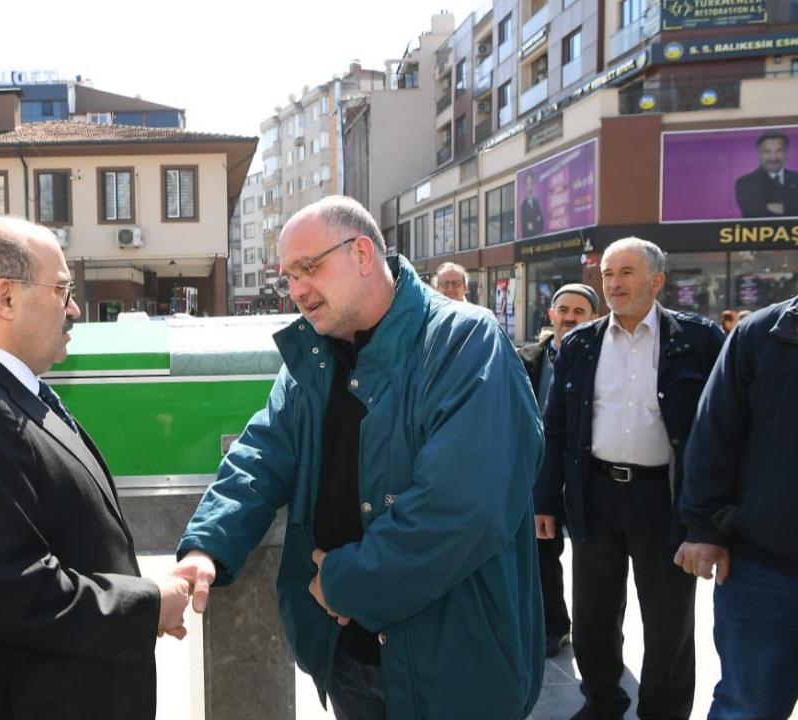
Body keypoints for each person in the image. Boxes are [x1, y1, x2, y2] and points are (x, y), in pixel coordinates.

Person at [173, 196, 545, 719]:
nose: (297, 289)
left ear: (363, 253)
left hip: (454, 666)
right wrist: (207, 547)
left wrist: (344, 582)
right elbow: (261, 454)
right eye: (289, 277)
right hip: (347, 662)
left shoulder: (466, 342)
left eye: (309, 267)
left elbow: (463, 508)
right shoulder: (315, 356)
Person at [0, 216, 190, 720]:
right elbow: (13, 589)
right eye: (62, 290)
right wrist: (148, 604)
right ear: (4, 299)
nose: (73, 308)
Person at [676, 197, 798, 718]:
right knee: (746, 708)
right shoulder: (761, 334)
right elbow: (713, 436)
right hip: (762, 572)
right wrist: (703, 528)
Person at [535, 237, 724, 720]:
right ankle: (602, 701)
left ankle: (664, 711)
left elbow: (723, 430)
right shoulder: (580, 344)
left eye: (626, 273)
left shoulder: (698, 341)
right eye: (608, 274)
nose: (614, 284)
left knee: (669, 623)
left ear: (657, 281)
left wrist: (712, 518)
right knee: (595, 614)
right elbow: (555, 429)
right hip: (594, 494)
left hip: (664, 497)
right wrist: (545, 501)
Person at [517, 282, 599, 658]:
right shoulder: (526, 358)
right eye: (563, 310)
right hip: (538, 474)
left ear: (593, 317)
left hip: (586, 475)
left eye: (579, 311)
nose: (569, 317)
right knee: (541, 551)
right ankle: (553, 625)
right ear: (551, 315)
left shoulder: (602, 357)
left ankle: (597, 642)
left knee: (595, 565)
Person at [734, 131, 798, 218]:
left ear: (786, 152)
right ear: (759, 152)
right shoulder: (745, 183)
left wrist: (781, 207)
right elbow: (754, 213)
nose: (774, 157)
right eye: (767, 152)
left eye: (779, 151)